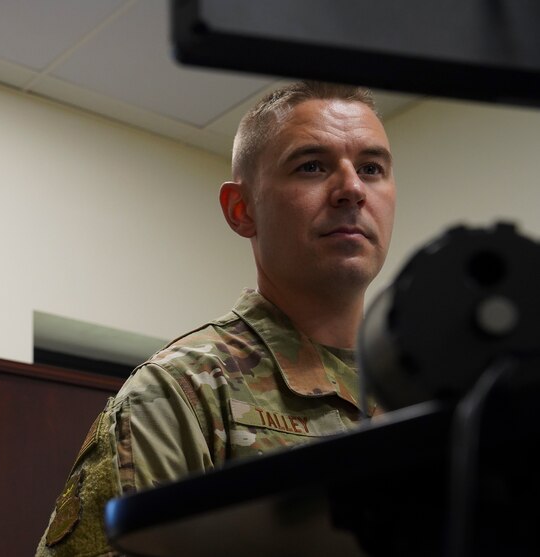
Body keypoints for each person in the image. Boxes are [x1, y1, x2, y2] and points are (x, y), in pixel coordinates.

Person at [36, 80, 396, 556]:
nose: (352, 188)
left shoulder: (428, 395)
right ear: (241, 209)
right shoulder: (180, 393)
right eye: (312, 166)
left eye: (371, 168)